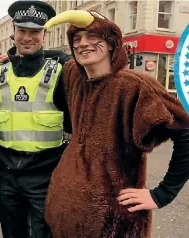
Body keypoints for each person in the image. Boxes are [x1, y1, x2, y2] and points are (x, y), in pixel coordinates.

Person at [43, 10, 189, 237]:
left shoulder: (134, 87)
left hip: (113, 223)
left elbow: (185, 131)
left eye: (93, 37)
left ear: (111, 44)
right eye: (77, 39)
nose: (83, 44)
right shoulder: (72, 76)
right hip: (65, 219)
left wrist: (162, 194)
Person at [0, 1, 72, 237]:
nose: (27, 37)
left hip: (46, 176)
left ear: (44, 34)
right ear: (14, 32)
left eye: (34, 32)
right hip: (7, 175)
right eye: (22, 30)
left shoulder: (60, 74)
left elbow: (76, 124)